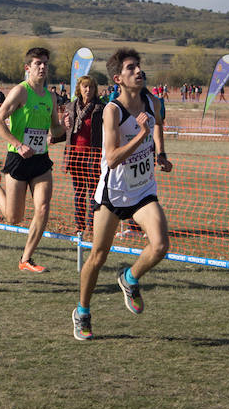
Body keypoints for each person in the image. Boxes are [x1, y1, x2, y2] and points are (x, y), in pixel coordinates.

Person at [72, 48, 173, 341]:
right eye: (131, 68)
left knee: (161, 245)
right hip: (113, 193)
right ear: (118, 78)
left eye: (139, 66)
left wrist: (161, 153)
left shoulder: (152, 101)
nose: (138, 71)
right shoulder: (112, 110)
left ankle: (129, 278)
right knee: (98, 256)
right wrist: (141, 136)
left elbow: (157, 127)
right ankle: (83, 312)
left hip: (143, 189)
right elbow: (113, 157)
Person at [0, 47, 66, 273]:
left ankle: (26, 259)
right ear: (28, 68)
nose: (43, 67)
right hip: (18, 159)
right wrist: (18, 144)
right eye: (38, 63)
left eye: (46, 63)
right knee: (13, 218)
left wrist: (63, 126)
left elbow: (55, 128)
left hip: (40, 160)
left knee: (43, 208)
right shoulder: (20, 92)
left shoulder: (50, 96)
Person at [64, 75, 103, 233]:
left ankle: (92, 226)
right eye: (85, 86)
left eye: (91, 87)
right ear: (79, 88)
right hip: (75, 156)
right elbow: (66, 132)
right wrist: (57, 132)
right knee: (79, 192)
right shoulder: (70, 107)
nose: (88, 90)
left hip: (94, 157)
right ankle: (79, 226)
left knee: (94, 193)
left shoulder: (101, 108)